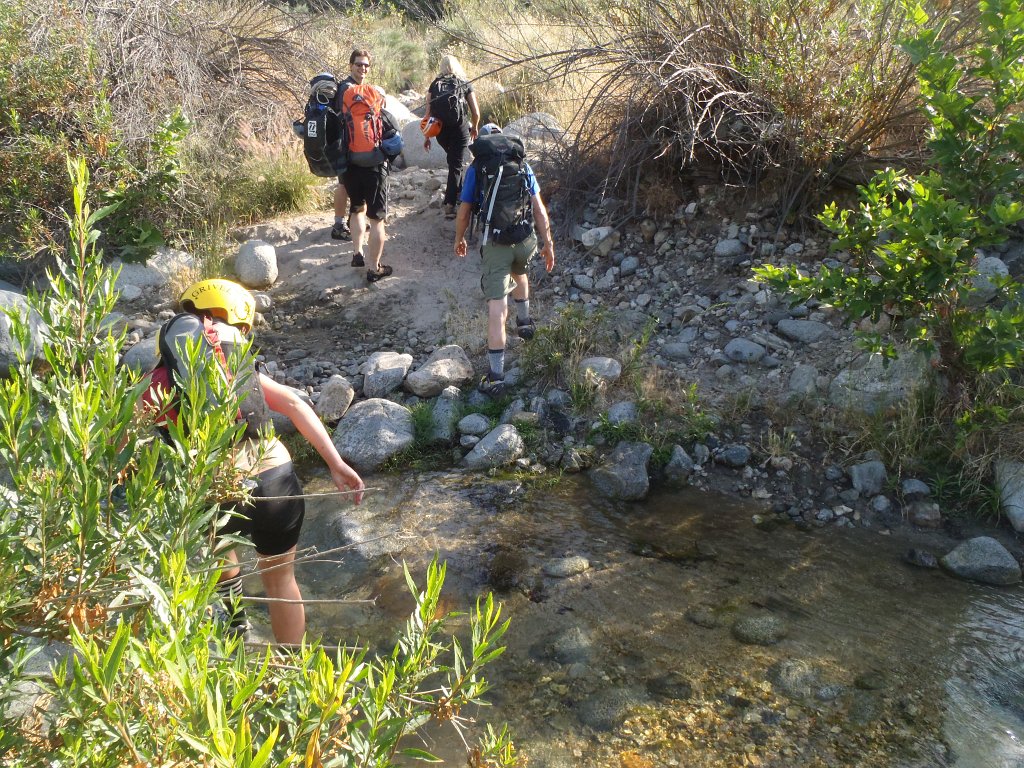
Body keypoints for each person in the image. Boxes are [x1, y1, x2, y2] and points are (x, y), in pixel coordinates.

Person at [164, 279, 365, 644]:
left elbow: (135, 424)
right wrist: (335, 464)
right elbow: (295, 404)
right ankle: (292, 667)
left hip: (218, 485)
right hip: (276, 478)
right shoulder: (241, 365)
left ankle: (236, 635)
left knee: (221, 555)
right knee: (281, 581)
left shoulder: (173, 364)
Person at [453, 124, 556, 395]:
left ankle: (496, 377)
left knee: (497, 308)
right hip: (524, 240)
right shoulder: (521, 164)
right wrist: (548, 243)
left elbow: (464, 212)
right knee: (519, 271)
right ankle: (525, 322)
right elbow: (539, 209)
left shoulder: (477, 168)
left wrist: (459, 238)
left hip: (496, 243)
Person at [336, 49, 392, 282]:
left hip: (351, 164)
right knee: (377, 220)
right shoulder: (377, 108)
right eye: (359, 64)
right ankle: (374, 267)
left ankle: (357, 253)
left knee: (357, 209)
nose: (363, 68)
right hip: (374, 167)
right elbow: (396, 141)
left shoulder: (345, 101)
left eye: (366, 65)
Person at [422, 55, 481, 220]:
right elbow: (476, 112)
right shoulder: (464, 83)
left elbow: (428, 115)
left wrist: (427, 137)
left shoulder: (435, 85)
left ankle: (458, 192)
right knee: (456, 164)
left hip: (440, 131)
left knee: (453, 161)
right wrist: (475, 127)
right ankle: (450, 204)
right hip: (459, 129)